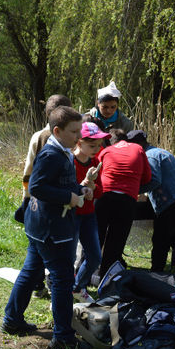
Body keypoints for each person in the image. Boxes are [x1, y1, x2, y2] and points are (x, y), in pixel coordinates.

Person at [3, 106, 92, 349]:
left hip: (40, 226)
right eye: (74, 131)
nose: (79, 136)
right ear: (57, 131)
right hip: (52, 230)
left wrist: (79, 189)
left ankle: (12, 320)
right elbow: (38, 187)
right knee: (63, 280)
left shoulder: (62, 150)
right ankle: (63, 337)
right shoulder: (51, 154)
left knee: (31, 271)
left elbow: (59, 182)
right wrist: (69, 197)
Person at [18, 94, 73, 299]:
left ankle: (16, 312)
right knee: (42, 253)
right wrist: (26, 198)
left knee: (36, 256)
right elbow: (29, 172)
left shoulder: (69, 138)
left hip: (53, 202)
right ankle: (40, 284)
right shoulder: (42, 138)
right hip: (41, 204)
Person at [125, 130, 175, 275]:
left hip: (170, 203)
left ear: (138, 145)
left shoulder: (149, 156)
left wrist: (134, 190)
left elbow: (155, 180)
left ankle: (156, 273)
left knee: (161, 240)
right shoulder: (161, 152)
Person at [95, 128, 151, 278]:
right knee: (116, 240)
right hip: (127, 200)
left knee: (97, 236)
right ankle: (105, 278)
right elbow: (147, 177)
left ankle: (83, 277)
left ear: (111, 142)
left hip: (104, 196)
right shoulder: (138, 149)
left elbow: (97, 174)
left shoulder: (106, 151)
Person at [73, 122, 110, 302]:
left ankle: (77, 287)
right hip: (70, 215)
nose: (97, 148)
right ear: (79, 143)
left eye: (99, 144)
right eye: (92, 145)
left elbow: (101, 191)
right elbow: (65, 190)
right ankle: (60, 287)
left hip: (88, 215)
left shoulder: (96, 162)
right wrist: (83, 186)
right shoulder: (69, 161)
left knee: (95, 257)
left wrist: (93, 185)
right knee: (67, 256)